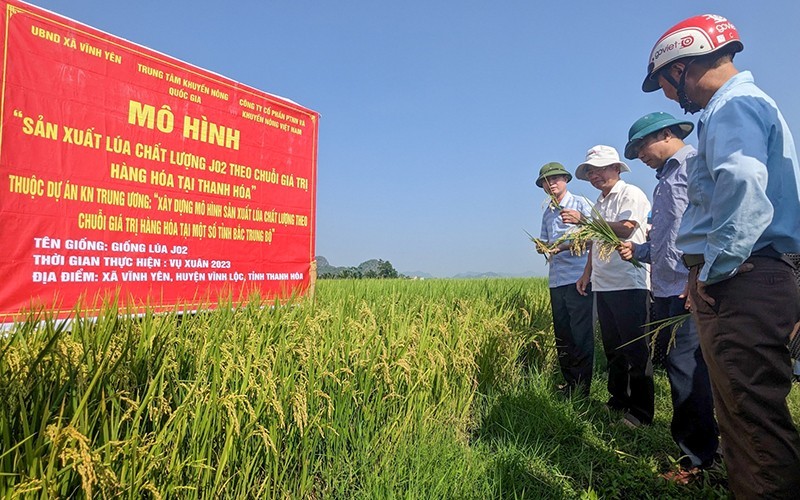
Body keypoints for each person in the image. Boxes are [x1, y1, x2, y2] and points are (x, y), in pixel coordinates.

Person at [642, 14, 800, 497]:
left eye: (667, 84)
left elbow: (742, 189)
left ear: (683, 67)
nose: (671, 97)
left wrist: (713, 272)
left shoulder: (734, 105)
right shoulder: (737, 108)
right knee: (742, 415)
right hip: (746, 275)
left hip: (742, 279)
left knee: (753, 423)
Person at [619, 112, 719, 481]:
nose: (639, 155)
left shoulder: (693, 166)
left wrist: (697, 279)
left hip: (686, 290)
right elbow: (668, 240)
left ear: (665, 134)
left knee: (688, 370)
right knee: (681, 368)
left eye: (641, 146)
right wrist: (638, 251)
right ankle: (704, 447)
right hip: (665, 288)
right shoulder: (664, 180)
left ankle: (699, 460)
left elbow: (709, 227)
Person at [571, 145, 653, 427]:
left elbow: (627, 228)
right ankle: (618, 400)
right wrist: (586, 274)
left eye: (601, 169)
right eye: (591, 171)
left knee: (635, 349)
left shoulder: (631, 194)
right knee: (614, 349)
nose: (595, 176)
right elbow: (595, 243)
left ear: (616, 168)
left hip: (630, 283)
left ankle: (641, 412)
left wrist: (586, 220)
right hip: (604, 284)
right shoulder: (600, 202)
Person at [535, 162, 595, 397]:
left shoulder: (581, 204)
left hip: (579, 277)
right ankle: (569, 382)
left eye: (555, 179)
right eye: (545, 181)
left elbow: (597, 238)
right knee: (563, 333)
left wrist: (565, 246)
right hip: (556, 280)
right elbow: (545, 242)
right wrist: (543, 248)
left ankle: (582, 387)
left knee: (581, 333)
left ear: (566, 180)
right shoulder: (547, 212)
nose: (550, 184)